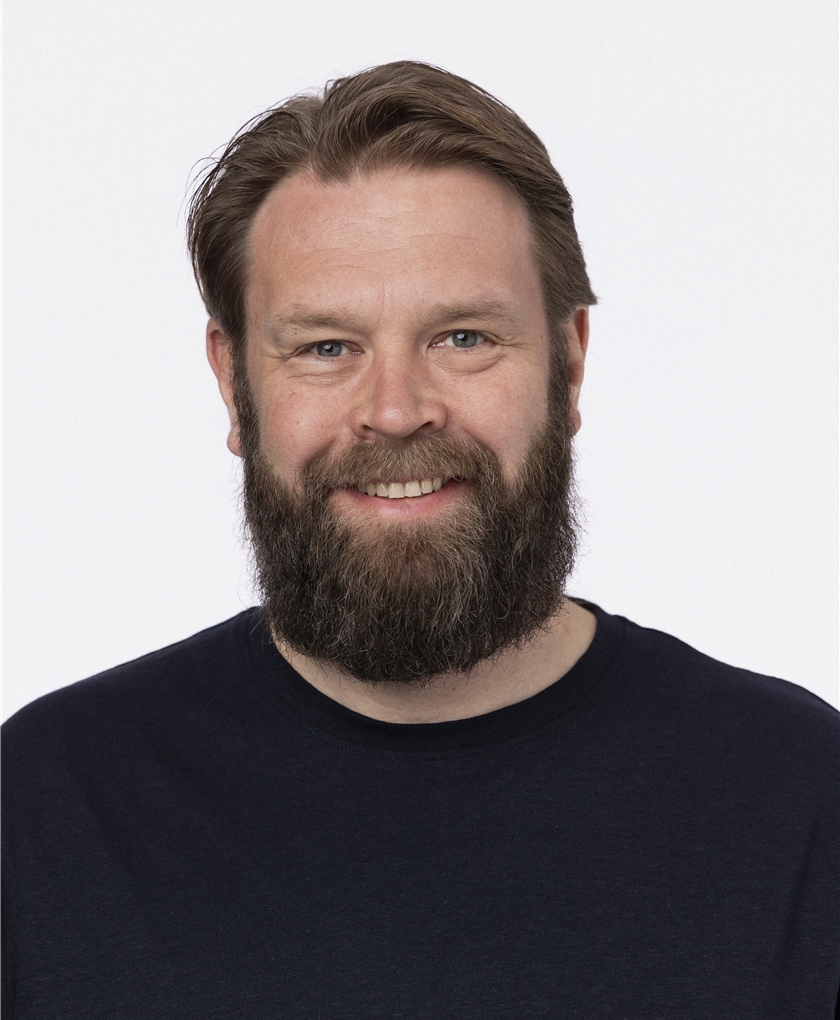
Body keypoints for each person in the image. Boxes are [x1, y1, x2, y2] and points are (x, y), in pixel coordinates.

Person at [3, 61, 837, 1018]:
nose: (397, 411)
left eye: (464, 338)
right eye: (326, 347)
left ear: (569, 365)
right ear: (233, 384)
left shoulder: (800, 795)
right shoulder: (44, 805)